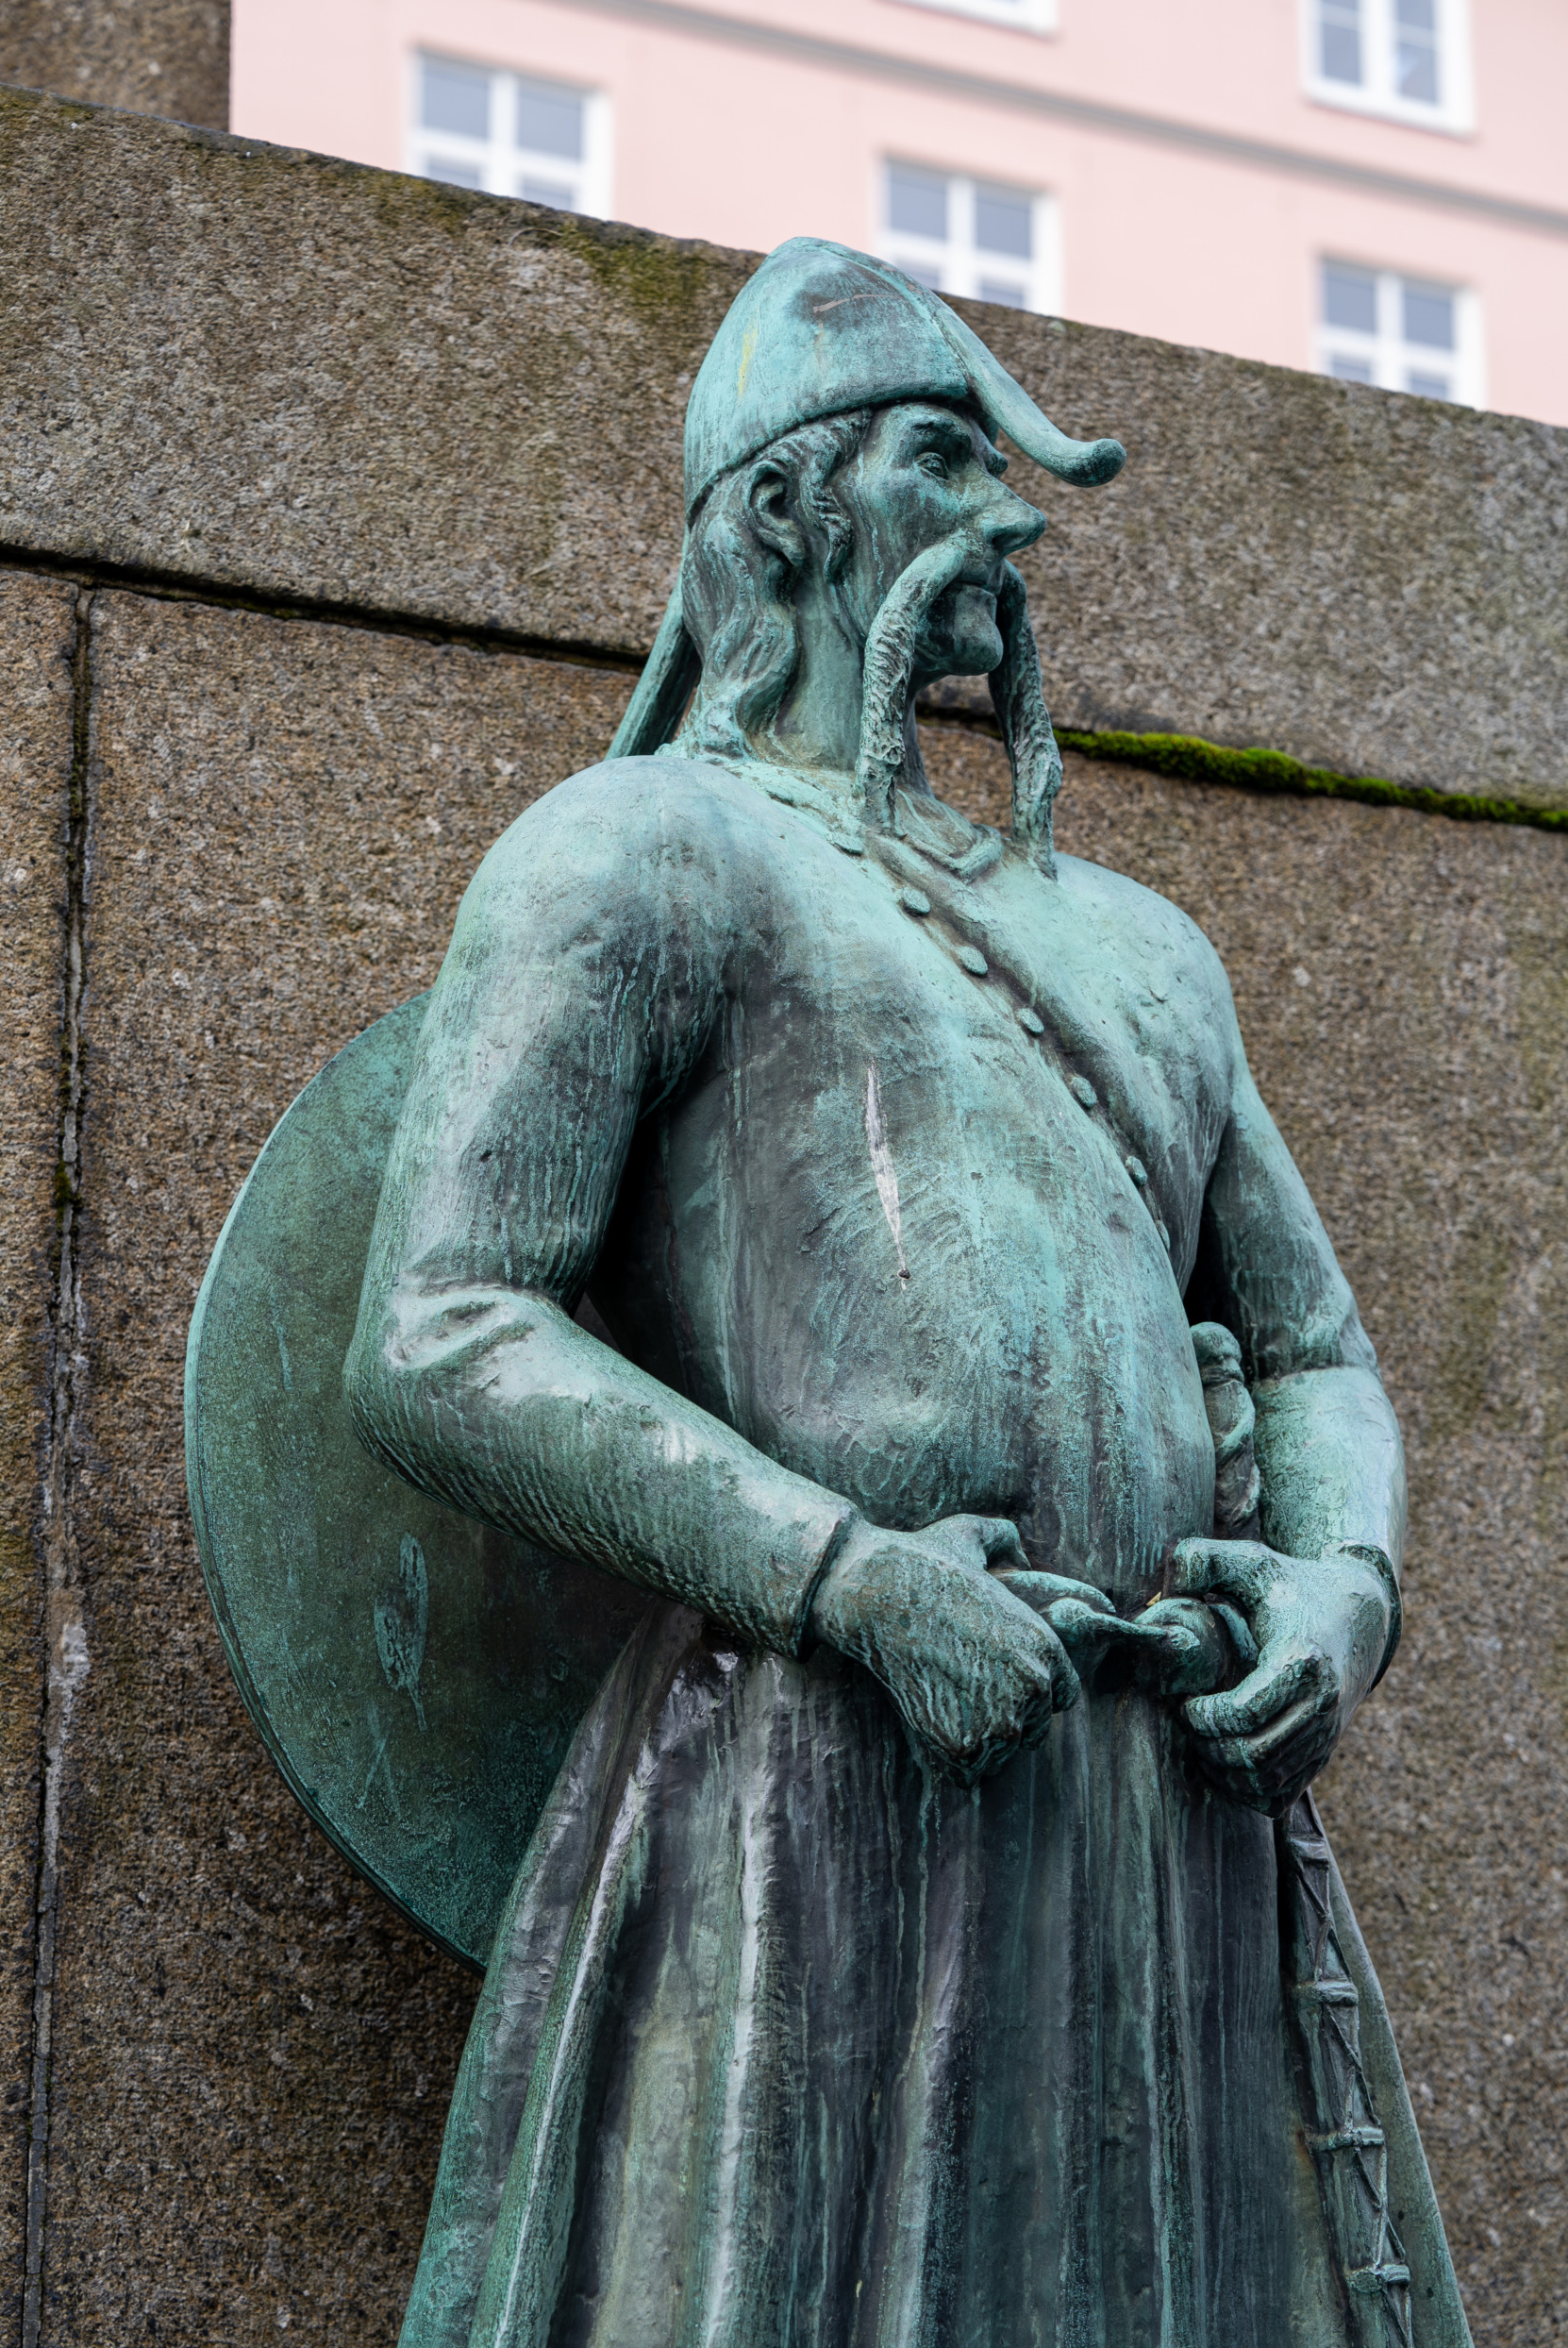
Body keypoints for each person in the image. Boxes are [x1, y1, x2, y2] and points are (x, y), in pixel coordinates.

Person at [346, 240, 1468, 2348]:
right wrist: (848, 1577)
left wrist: (1346, 1582)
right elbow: (443, 1323)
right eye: (949, 463)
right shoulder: (637, 852)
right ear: (785, 509)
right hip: (811, 1780)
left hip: (1161, 1808)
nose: (1013, 528)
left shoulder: (1147, 947)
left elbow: (1314, 1348)